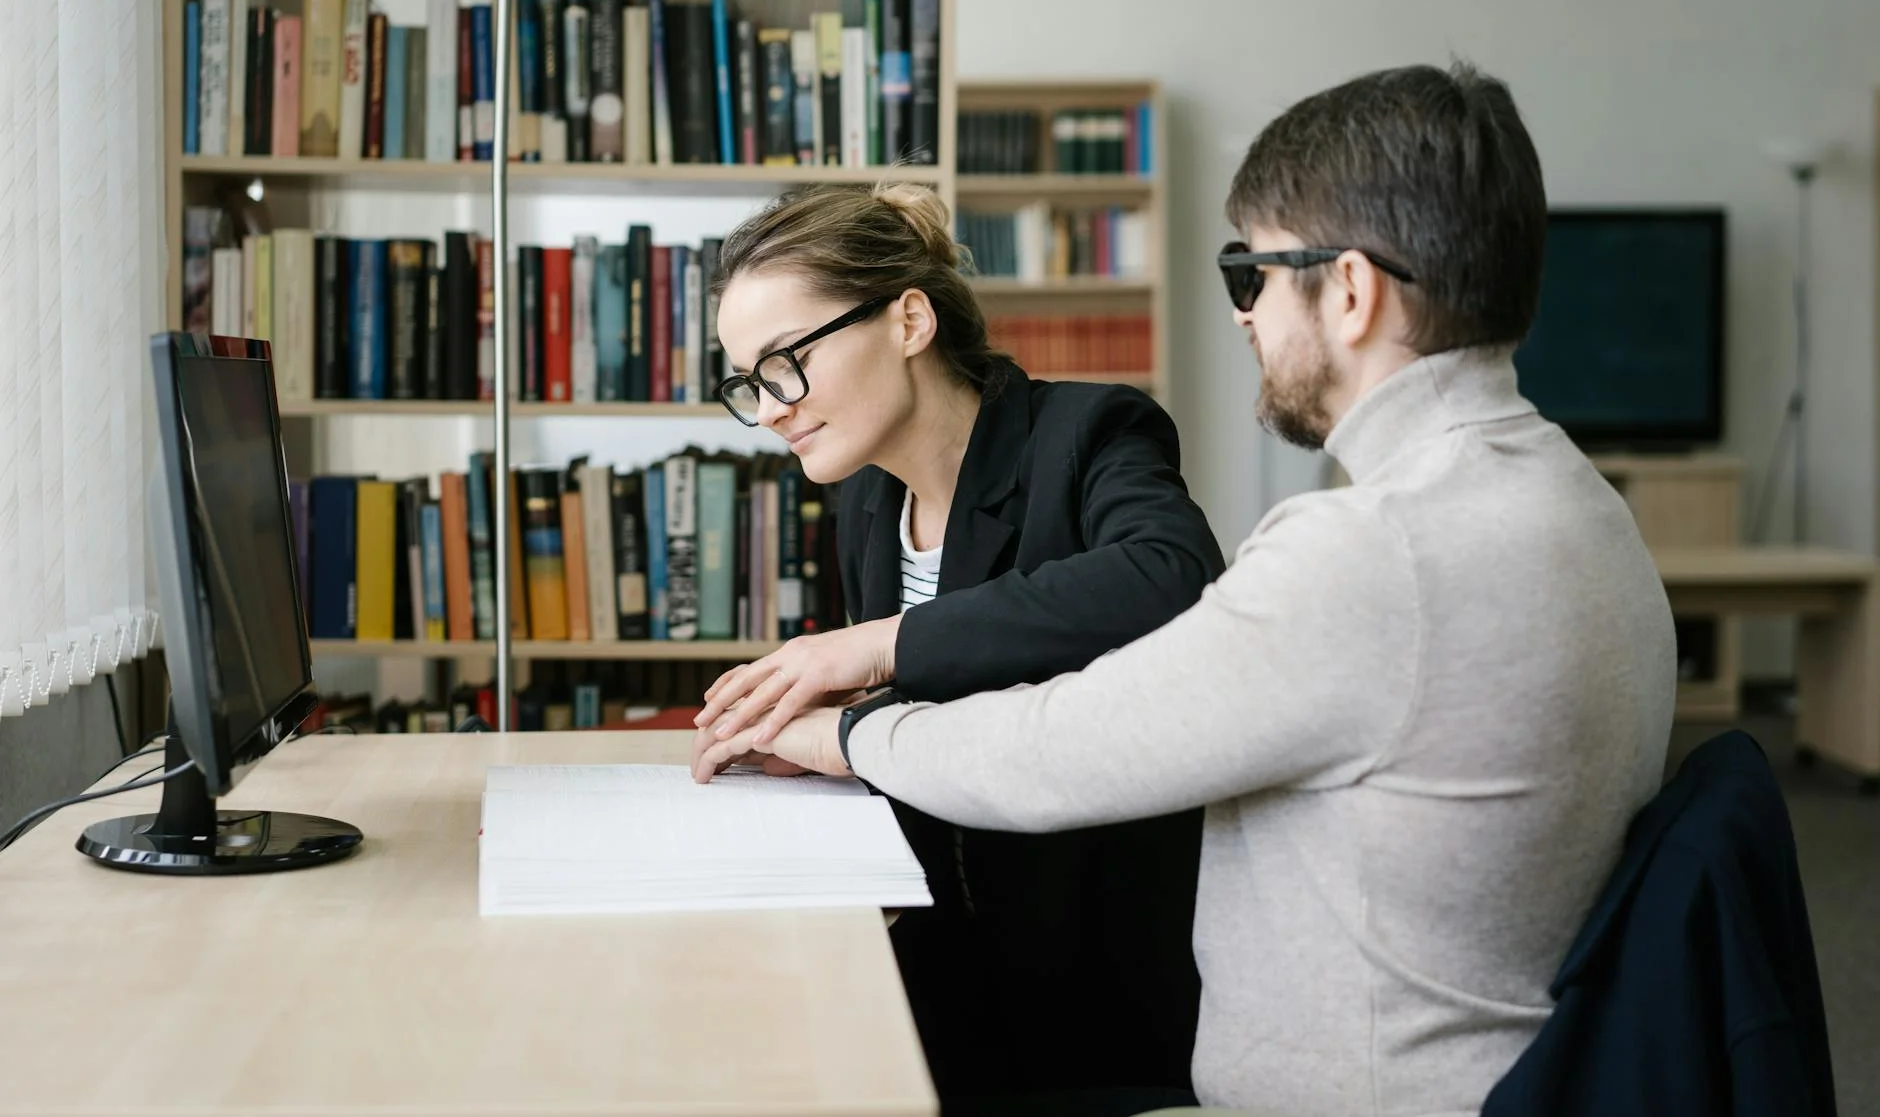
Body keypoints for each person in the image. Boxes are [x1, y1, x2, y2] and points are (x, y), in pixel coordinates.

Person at [698, 63, 1681, 1117]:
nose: (1244, 318)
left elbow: (1051, 752)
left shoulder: (1369, 553)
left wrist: (845, 728)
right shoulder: (1582, 502)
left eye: (1249, 276)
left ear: (1347, 290)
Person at [691, 182, 1227, 1110]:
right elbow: (928, 727)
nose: (770, 408)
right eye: (748, 382)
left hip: (1100, 992)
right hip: (934, 963)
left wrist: (877, 646)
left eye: (785, 363)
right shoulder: (865, 494)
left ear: (907, 319)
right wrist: (828, 742)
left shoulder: (1090, 431)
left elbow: (1169, 574)